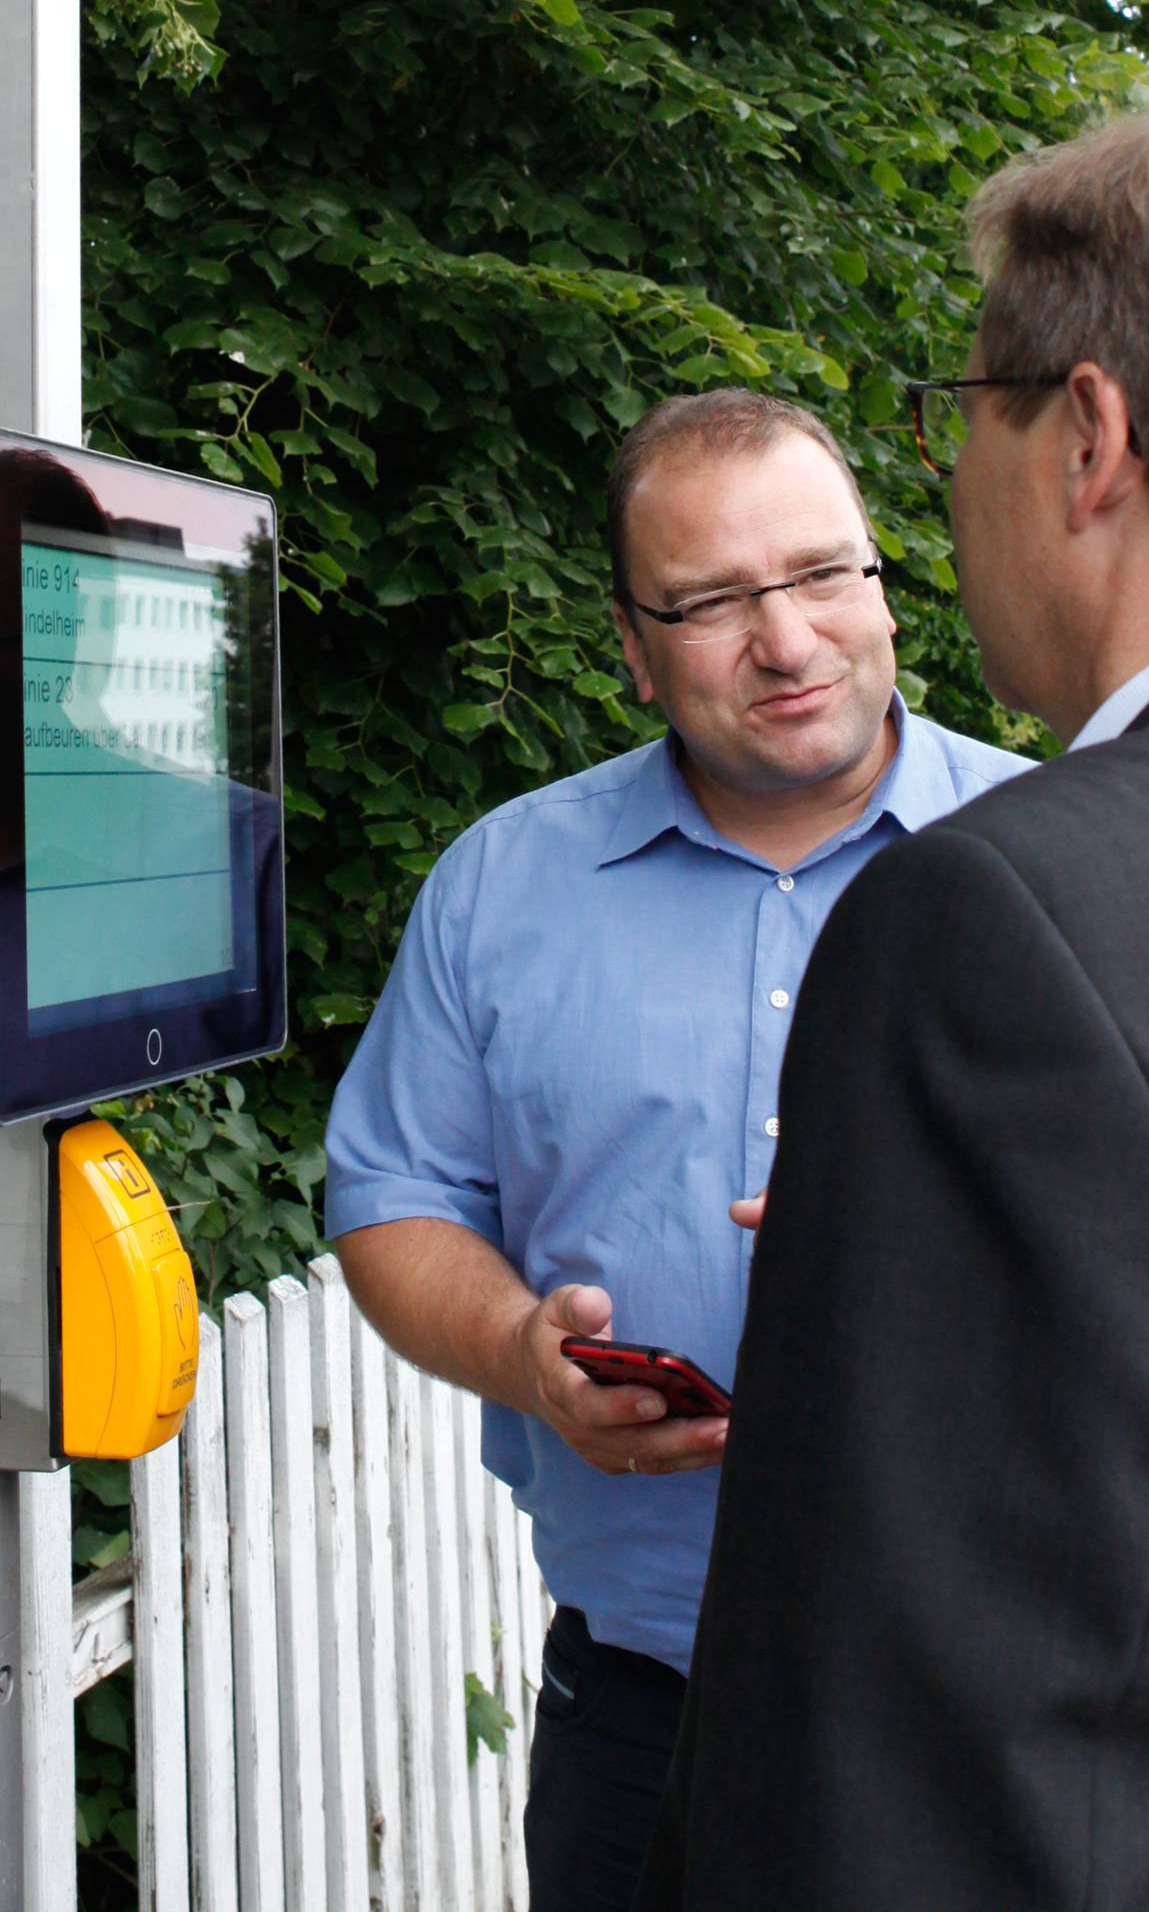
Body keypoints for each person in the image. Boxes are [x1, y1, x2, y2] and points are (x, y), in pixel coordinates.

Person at [638, 102, 1149, 1912]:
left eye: (965, 416)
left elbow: (915, 1812)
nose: (950, 486)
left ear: (1085, 436)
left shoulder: (1008, 923)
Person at [321, 387, 1023, 1912]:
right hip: (646, 1712)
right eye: (709, 604)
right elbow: (392, 1196)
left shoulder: (1063, 858)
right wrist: (520, 1348)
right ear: (632, 648)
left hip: (1004, 1711)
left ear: (879, 582)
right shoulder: (503, 887)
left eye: (822, 575)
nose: (784, 642)